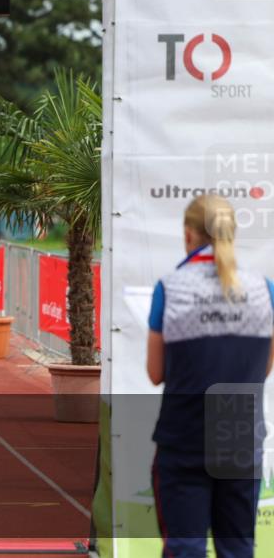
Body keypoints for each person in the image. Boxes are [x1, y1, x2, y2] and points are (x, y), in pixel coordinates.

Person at [146, 195, 274, 558]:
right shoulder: (264, 289)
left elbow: (156, 373)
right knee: (238, 548)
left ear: (188, 235)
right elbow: (263, 367)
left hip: (185, 435)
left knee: (185, 549)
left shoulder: (170, 288)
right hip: (239, 434)